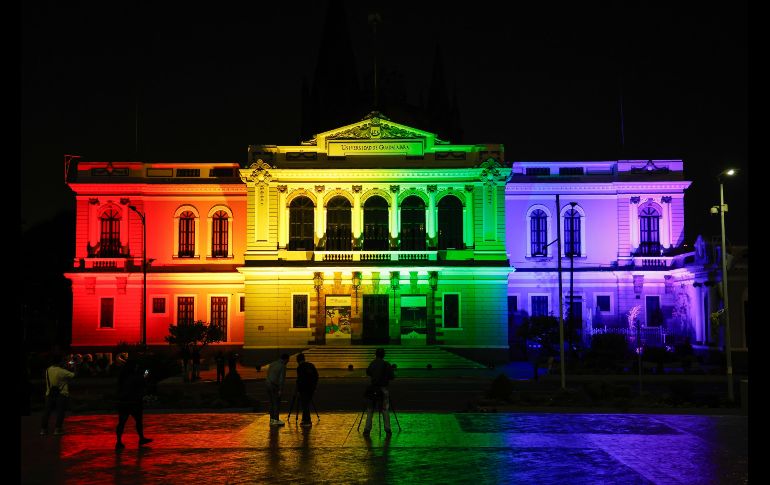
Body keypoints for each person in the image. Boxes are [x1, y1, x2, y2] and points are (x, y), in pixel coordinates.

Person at [115, 359, 153, 451]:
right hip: (134, 402)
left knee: (122, 422)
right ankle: (141, 438)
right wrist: (146, 374)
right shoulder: (135, 376)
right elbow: (142, 382)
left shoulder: (123, 376)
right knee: (138, 421)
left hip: (124, 401)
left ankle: (119, 441)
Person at [363, 348, 395, 438]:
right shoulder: (386, 364)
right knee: (385, 409)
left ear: (376, 354)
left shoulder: (373, 363)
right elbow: (392, 377)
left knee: (370, 410)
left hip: (373, 389)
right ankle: (387, 428)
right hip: (383, 389)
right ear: (383, 355)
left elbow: (368, 372)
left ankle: (367, 429)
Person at [40, 354, 75, 435]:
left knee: (47, 412)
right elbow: (73, 375)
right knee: (60, 412)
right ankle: (57, 429)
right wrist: (73, 364)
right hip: (61, 394)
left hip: (49, 394)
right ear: (60, 362)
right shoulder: (62, 371)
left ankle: (43, 430)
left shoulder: (48, 370)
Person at [265, 353, 289, 426]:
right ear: (285, 359)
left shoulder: (272, 364)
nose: (287, 362)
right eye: (287, 360)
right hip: (274, 385)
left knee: (271, 402)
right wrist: (280, 390)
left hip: (268, 383)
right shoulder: (282, 366)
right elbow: (281, 379)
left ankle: (272, 419)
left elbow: (268, 373)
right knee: (276, 403)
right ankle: (276, 419)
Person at [295, 353, 319, 427]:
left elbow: (300, 380)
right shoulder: (311, 365)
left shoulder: (300, 368)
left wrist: (298, 390)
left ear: (298, 360)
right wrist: (314, 386)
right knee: (307, 403)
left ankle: (307, 420)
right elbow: (316, 376)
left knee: (304, 404)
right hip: (311, 388)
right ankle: (304, 418)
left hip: (304, 389)